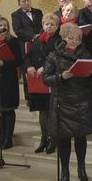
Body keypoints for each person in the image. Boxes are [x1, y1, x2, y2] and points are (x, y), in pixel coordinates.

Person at [43, 23, 92, 181]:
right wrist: (61, 77)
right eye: (71, 38)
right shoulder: (54, 55)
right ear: (63, 37)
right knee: (64, 139)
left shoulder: (86, 54)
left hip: (81, 100)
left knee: (81, 137)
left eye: (78, 38)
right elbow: (45, 78)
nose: (74, 41)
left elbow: (91, 82)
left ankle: (81, 168)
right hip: (62, 101)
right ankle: (65, 171)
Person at [24, 13, 60, 153]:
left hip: (51, 80)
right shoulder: (37, 40)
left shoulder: (59, 40)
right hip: (37, 80)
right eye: (46, 24)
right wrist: (29, 66)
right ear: (42, 25)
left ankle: (54, 139)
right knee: (42, 111)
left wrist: (45, 67)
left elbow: (57, 58)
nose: (49, 26)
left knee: (52, 112)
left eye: (52, 24)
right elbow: (28, 56)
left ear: (57, 26)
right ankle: (44, 138)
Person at [0, 17, 22, 150]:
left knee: (8, 109)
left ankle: (8, 139)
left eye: (4, 25)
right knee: (0, 110)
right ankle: (1, 138)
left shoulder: (13, 41)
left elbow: (19, 60)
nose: (2, 27)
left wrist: (3, 63)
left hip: (8, 79)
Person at [11, 0, 43, 101]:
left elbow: (43, 25)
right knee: (27, 68)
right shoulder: (16, 14)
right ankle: (29, 96)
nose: (26, 2)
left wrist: (40, 36)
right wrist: (33, 36)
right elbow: (18, 30)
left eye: (28, 0)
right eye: (23, 1)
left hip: (39, 44)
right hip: (25, 45)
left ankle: (40, 91)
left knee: (39, 66)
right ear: (19, 3)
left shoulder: (38, 12)